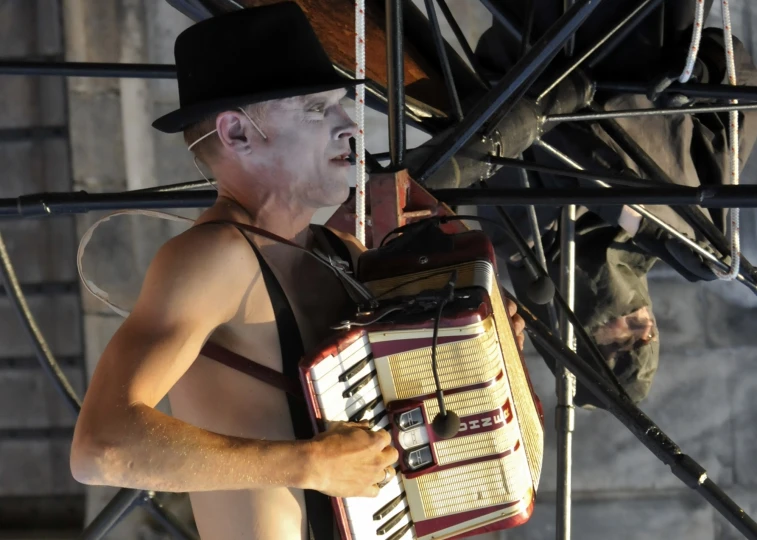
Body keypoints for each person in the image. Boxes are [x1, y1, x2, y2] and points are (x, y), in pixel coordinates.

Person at [69, 4, 527, 540]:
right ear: (237, 132)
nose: (350, 125)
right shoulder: (214, 258)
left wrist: (475, 349)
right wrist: (308, 465)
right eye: (316, 109)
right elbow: (102, 448)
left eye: (340, 105)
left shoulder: (345, 253)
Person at [473, 0, 757, 408]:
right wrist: (705, 69)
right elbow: (741, 85)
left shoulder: (519, 235)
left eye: (622, 346)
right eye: (649, 335)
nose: (644, 331)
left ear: (578, 336)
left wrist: (635, 215)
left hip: (554, 24)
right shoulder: (694, 228)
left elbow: (524, 121)